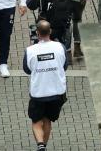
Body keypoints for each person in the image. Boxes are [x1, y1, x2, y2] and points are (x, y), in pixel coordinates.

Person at [23, 20, 68, 151]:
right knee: (47, 120)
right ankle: (44, 146)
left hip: (39, 93)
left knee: (36, 121)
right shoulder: (60, 47)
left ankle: (40, 145)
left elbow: (27, 70)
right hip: (56, 92)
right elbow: (64, 66)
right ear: (50, 32)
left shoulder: (30, 50)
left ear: (37, 33)